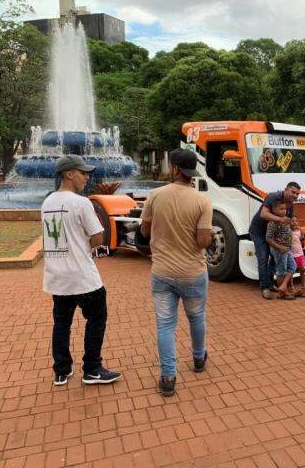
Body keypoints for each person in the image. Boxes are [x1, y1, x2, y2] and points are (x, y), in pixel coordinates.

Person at [42, 155, 121, 386]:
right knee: (97, 319)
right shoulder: (81, 203)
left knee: (61, 324)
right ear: (69, 174)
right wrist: (84, 245)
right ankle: (93, 369)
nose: (87, 177)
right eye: (83, 173)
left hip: (57, 276)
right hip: (82, 276)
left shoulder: (47, 203)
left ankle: (61, 371)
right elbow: (98, 238)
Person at [140, 148, 213, 397]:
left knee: (165, 325)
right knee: (197, 317)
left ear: (173, 169)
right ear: (191, 172)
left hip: (162, 273)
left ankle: (168, 377)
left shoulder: (155, 196)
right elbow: (203, 241)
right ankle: (198, 359)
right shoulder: (202, 200)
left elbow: (145, 232)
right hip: (193, 273)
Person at [248, 182, 301, 300]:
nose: (295, 196)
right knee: (263, 257)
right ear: (286, 190)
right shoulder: (274, 196)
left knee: (274, 260)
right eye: (293, 192)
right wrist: (280, 219)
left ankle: (271, 284)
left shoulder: (291, 204)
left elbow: (288, 223)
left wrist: (299, 231)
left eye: (297, 194)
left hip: (274, 234)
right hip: (259, 231)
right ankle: (264, 288)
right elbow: (263, 214)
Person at [266, 202, 297, 299]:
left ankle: (282, 288)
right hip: (279, 250)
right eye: (281, 209)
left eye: (285, 209)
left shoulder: (285, 219)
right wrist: (280, 248)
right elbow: (268, 238)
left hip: (286, 250)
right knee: (281, 271)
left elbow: (290, 229)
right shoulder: (273, 222)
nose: (284, 211)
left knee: (293, 266)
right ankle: (283, 293)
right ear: (274, 210)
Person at [290, 217, 305, 297]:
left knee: (302, 269)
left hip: (300, 254)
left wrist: (302, 230)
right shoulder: (288, 231)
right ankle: (291, 287)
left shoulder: (299, 231)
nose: (294, 223)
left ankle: (303, 285)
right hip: (291, 255)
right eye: (292, 221)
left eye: (296, 221)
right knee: (291, 271)